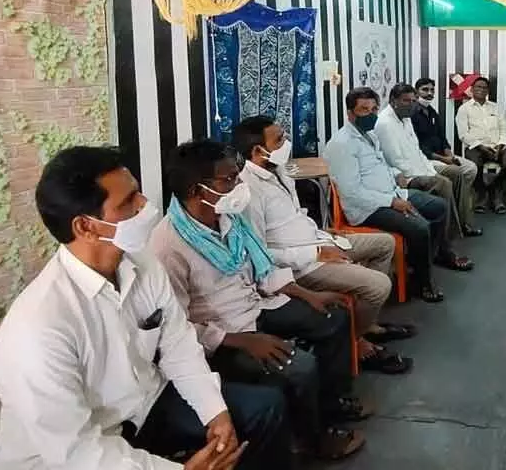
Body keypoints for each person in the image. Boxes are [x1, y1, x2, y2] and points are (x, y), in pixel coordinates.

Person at [0, 146, 289, 470]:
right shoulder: (37, 328)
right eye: (129, 201)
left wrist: (215, 412)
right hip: (80, 450)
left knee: (263, 408)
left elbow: (178, 345)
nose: (146, 206)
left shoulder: (142, 263)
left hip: (147, 405)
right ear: (85, 227)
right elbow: (78, 453)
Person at [149, 140, 366, 461]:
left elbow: (263, 270)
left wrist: (308, 295)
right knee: (301, 367)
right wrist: (244, 342)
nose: (238, 184)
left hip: (257, 306)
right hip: (225, 336)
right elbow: (177, 329)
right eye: (229, 180)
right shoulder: (167, 246)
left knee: (333, 316)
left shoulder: (229, 218)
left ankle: (333, 406)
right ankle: (312, 440)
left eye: (237, 175)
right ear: (197, 190)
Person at [232, 116, 415, 375]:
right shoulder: (249, 191)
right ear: (257, 151)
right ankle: (357, 343)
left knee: (384, 244)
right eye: (279, 139)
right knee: (379, 285)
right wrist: (316, 252)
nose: (287, 143)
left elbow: (293, 217)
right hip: (300, 264)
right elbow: (260, 255)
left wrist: (321, 233)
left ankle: (364, 325)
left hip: (317, 239)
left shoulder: (279, 172)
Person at [325, 87, 473, 303]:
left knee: (439, 206)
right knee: (420, 226)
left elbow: (381, 164)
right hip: (369, 208)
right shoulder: (341, 144)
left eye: (374, 109)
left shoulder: (370, 135)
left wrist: (396, 174)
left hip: (392, 193)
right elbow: (352, 193)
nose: (371, 114)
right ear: (350, 113)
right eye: (364, 110)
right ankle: (423, 282)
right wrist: (392, 202)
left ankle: (422, 261)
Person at [375, 83, 482, 239]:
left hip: (421, 167)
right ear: (393, 101)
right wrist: (429, 174)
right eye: (406, 101)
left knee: (456, 173)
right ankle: (447, 236)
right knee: (443, 183)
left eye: (413, 101)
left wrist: (430, 171)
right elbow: (396, 161)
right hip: (406, 176)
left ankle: (462, 223)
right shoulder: (385, 124)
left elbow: (417, 150)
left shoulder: (406, 118)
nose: (411, 105)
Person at [411, 77, 482, 236]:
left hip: (443, 155)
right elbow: (419, 147)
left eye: (432, 90)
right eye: (425, 90)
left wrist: (450, 154)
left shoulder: (432, 112)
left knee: (470, 168)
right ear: (416, 92)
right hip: (428, 159)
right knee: (458, 174)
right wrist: (445, 160)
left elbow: (442, 138)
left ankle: (457, 204)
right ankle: (463, 221)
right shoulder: (412, 114)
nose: (429, 93)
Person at [455, 76, 506, 214]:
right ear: (472, 89)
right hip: (476, 148)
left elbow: (504, 128)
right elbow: (463, 134)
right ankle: (481, 195)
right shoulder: (464, 109)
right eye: (478, 87)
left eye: (484, 87)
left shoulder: (495, 107)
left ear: (488, 90)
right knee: (474, 166)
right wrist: (481, 147)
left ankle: (496, 190)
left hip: (497, 146)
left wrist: (501, 145)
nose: (481, 90)